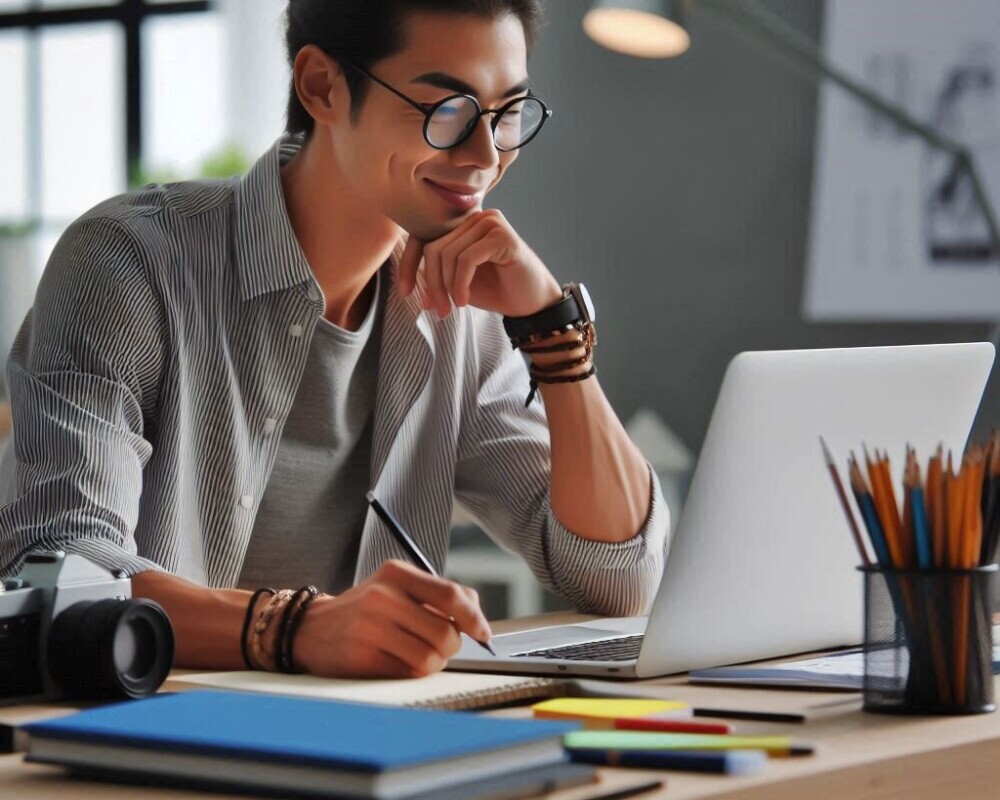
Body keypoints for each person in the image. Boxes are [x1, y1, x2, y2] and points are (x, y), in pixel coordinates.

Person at [0, 0, 668, 679]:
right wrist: (293, 628)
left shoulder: (463, 315)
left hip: (366, 743)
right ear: (321, 86)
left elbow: (619, 580)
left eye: (507, 114)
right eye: (448, 110)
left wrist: (553, 333)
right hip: (139, 744)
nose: (485, 155)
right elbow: (64, 571)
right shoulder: (128, 263)